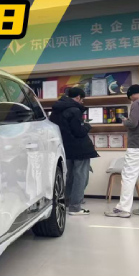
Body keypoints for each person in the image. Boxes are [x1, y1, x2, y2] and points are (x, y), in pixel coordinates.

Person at [49, 87, 99, 216]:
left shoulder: (56, 110)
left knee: (70, 176)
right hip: (80, 148)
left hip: (65, 147)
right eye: (82, 100)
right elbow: (78, 131)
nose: (82, 102)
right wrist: (87, 126)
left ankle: (66, 202)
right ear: (78, 97)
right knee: (81, 177)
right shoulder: (75, 110)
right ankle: (75, 207)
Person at [106, 85, 139, 219]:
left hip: (138, 144)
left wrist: (125, 121)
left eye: (130, 98)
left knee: (128, 176)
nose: (131, 100)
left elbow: (133, 123)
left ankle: (123, 209)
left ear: (132, 94)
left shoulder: (138, 103)